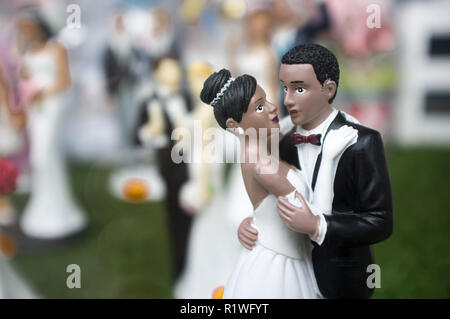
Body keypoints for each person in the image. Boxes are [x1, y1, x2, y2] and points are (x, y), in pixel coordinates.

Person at [238, 43, 393, 298]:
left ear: (328, 89)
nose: (287, 100)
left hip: (340, 277)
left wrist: (318, 226)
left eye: (299, 89)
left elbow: (380, 221)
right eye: (284, 88)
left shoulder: (361, 142)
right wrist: (254, 222)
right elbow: (275, 192)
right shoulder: (284, 140)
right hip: (289, 272)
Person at [200, 68, 358, 298]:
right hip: (279, 267)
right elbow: (314, 213)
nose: (274, 107)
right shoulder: (261, 166)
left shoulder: (262, 152)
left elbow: (268, 205)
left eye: (267, 100)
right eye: (260, 106)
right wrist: (330, 158)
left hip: (287, 254)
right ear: (234, 125)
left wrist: (255, 220)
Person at [16, 11, 86, 239]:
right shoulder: (27, 51)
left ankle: (59, 210)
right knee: (45, 157)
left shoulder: (56, 47)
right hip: (36, 110)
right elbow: (25, 76)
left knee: (44, 155)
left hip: (52, 107)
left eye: (27, 26)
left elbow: (65, 81)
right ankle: (48, 206)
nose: (25, 31)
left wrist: (42, 91)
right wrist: (27, 90)